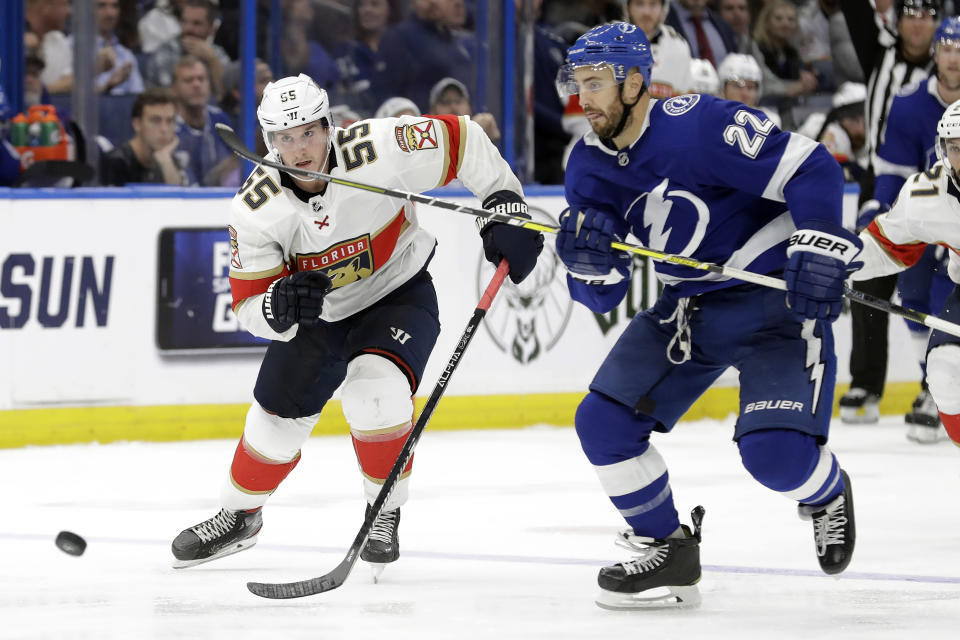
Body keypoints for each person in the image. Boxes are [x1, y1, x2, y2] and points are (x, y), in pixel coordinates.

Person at [170, 74, 544, 571]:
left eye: (308, 132)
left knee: (376, 391)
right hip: (321, 319)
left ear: (328, 126)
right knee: (272, 425)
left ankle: (383, 511)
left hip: (397, 293)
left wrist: (504, 204)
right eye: (285, 137)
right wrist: (276, 308)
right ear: (268, 142)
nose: (300, 149)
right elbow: (246, 305)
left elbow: (464, 138)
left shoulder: (379, 147)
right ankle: (239, 517)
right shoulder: (254, 210)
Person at [555, 22, 859, 609]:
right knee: (603, 423)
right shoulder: (586, 167)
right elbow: (603, 296)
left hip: (774, 306)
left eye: (595, 83)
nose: (582, 98)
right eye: (578, 83)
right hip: (687, 309)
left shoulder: (699, 126)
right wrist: (587, 265)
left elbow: (812, 167)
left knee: (775, 458)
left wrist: (818, 240)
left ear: (635, 81)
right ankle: (668, 546)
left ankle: (826, 491)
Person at [851, 16, 960, 438]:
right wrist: (838, 265)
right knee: (946, 368)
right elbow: (882, 246)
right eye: (955, 147)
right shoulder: (926, 196)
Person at [838, 0, 941, 423]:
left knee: (934, 286)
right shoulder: (878, 52)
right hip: (880, 178)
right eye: (909, 15)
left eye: (926, 16)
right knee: (869, 277)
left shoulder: (949, 67)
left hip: (936, 188)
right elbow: (854, 11)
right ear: (896, 21)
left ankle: (933, 388)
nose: (916, 25)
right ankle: (865, 382)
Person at [144, 0, 231, 100]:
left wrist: (212, 60)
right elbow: (168, 99)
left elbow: (227, 96)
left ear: (211, 29)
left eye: (197, 23)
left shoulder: (216, 53)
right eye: (184, 22)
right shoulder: (166, 51)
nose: (189, 28)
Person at [99, 87, 188, 186]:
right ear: (137, 124)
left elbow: (178, 198)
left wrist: (166, 161)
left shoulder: (168, 160)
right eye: (156, 120)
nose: (164, 129)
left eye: (170, 121)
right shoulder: (116, 162)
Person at [170, 55, 234, 186]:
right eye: (188, 80)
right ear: (174, 88)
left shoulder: (219, 118)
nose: (196, 84)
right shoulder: (167, 124)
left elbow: (234, 164)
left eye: (201, 79)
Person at [626, 0, 694, 99]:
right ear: (628, 8)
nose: (646, 12)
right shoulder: (609, 44)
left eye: (653, 4)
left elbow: (686, 103)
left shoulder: (678, 46)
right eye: (639, 4)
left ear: (663, 8)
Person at [717, 52, 782, 128]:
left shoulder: (768, 122)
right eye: (737, 86)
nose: (745, 93)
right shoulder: (710, 119)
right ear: (722, 89)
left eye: (750, 87)